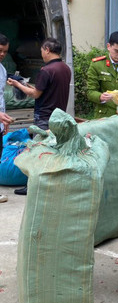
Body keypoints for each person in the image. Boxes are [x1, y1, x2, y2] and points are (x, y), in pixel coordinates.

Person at [7, 37, 71, 196]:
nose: (41, 54)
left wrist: (16, 85)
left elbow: (36, 94)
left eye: (42, 50)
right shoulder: (65, 68)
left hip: (44, 118)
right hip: (59, 117)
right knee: (54, 151)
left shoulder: (46, 70)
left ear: (47, 50)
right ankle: (52, 184)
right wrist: (25, 84)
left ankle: (33, 187)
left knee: (38, 152)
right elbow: (45, 90)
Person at [0, 33, 14, 203]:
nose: (2, 54)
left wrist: (4, 121)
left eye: (5, 51)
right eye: (0, 50)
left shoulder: (2, 70)